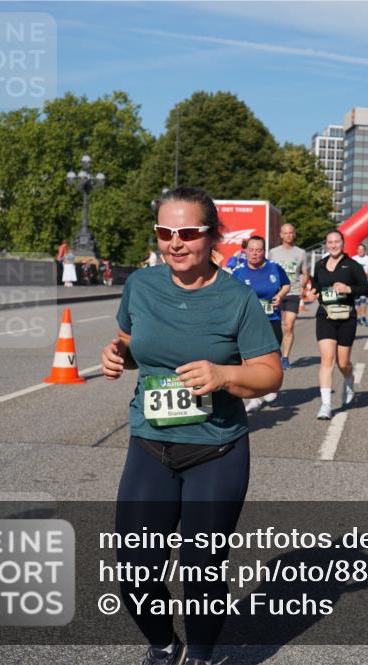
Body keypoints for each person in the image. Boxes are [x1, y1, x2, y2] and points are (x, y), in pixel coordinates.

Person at [100, 186, 282, 665]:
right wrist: (119, 354)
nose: (174, 243)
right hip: (150, 444)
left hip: (216, 450)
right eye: (165, 232)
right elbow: (131, 340)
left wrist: (224, 375)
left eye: (187, 232)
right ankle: (164, 643)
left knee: (202, 571)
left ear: (214, 235)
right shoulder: (141, 285)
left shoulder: (237, 298)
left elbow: (270, 372)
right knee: (136, 571)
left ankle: (200, 655)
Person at [304, 230, 368, 420]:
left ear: (343, 243)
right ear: (326, 244)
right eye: (330, 242)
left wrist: (349, 288)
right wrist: (313, 292)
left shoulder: (352, 265)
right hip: (325, 316)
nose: (333, 245)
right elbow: (316, 283)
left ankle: (349, 379)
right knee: (327, 359)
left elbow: (365, 287)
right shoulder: (320, 264)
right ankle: (326, 405)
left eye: (337, 242)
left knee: (343, 363)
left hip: (346, 318)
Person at [233, 235, 290, 412]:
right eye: (251, 250)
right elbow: (232, 294)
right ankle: (255, 397)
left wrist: (279, 296)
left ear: (264, 252)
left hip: (272, 319)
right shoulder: (239, 272)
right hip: (248, 322)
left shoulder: (274, 268)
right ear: (246, 251)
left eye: (258, 250)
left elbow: (286, 285)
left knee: (272, 356)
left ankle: (271, 386)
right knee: (249, 359)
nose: (254, 254)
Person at [268, 223, 309, 370]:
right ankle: (275, 353)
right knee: (275, 327)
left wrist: (302, 288)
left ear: (294, 234)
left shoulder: (301, 253)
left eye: (291, 233)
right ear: (280, 235)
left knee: (289, 325)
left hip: (293, 292)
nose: (288, 235)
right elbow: (267, 271)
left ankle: (285, 357)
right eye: (285, 233)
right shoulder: (273, 252)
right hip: (276, 293)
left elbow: (305, 274)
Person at [351, 244, 368, 326]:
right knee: (357, 301)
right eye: (359, 249)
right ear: (357, 250)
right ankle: (358, 318)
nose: (361, 251)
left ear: (365, 251)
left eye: (362, 249)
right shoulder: (354, 259)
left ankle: (363, 317)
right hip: (355, 283)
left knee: (363, 299)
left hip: (365, 282)